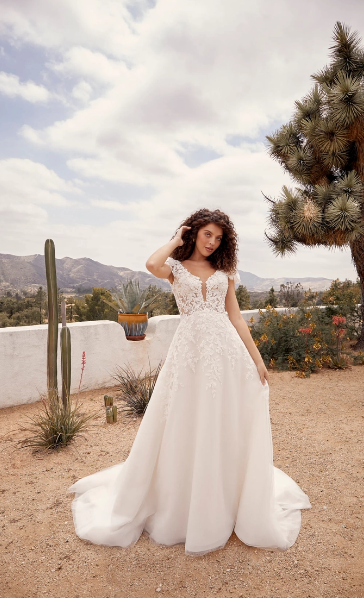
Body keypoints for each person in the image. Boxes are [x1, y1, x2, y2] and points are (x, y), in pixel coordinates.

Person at [69, 208, 311, 556]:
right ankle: (182, 495)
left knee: (223, 417)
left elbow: (235, 317)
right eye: (206, 234)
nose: (212, 242)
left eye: (218, 238)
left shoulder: (224, 272)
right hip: (190, 352)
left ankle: (223, 493)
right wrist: (176, 239)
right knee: (185, 417)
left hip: (225, 352)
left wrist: (257, 359)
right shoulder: (176, 268)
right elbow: (152, 264)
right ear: (194, 233)